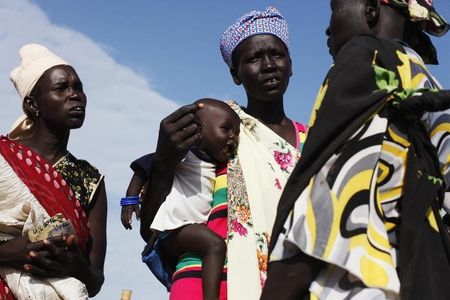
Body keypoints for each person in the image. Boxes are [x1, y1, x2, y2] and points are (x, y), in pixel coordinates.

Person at [264, 1, 450, 299]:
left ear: (371, 9)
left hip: (354, 280)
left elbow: (335, 189)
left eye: (335, 10)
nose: (327, 27)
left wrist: (282, 282)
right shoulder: (424, 78)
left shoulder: (363, 58)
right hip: (422, 274)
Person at [139, 6, 308, 300]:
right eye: (254, 58)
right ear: (235, 75)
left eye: (276, 54)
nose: (268, 64)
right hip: (208, 284)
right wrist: (164, 160)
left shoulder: (314, 140)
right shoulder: (216, 129)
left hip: (288, 287)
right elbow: (154, 228)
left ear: (291, 64)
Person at [0, 44, 107, 299]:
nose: (75, 96)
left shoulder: (90, 180)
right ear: (32, 104)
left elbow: (95, 280)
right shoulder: (4, 158)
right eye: (61, 88)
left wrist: (77, 267)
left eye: (78, 88)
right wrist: (8, 252)